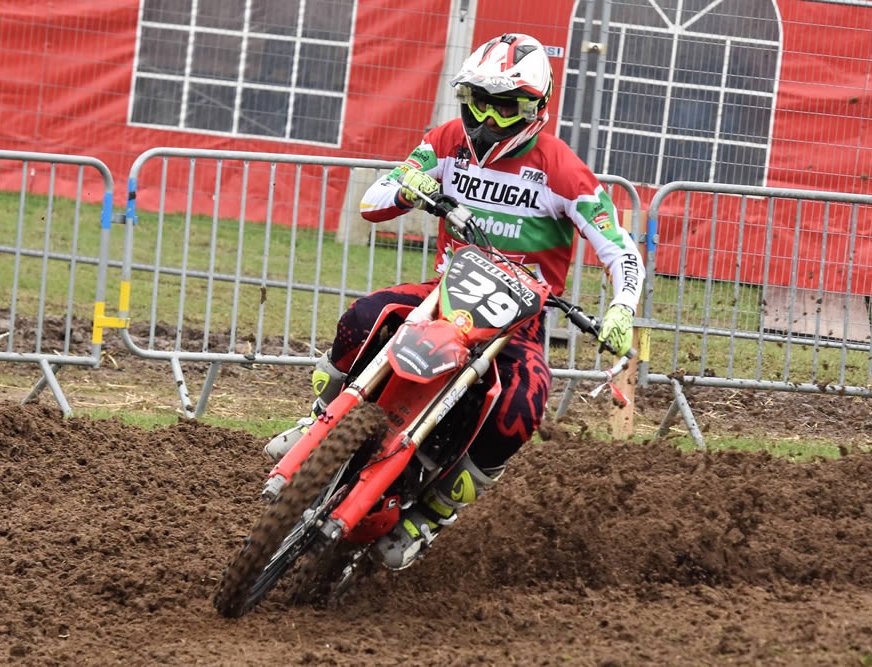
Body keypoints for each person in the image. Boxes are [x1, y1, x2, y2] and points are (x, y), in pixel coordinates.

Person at [265, 32, 645, 570]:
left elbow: (620, 249)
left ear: (535, 107)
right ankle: (318, 422)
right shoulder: (446, 140)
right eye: (478, 101)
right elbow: (374, 199)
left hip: (516, 321)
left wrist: (622, 307)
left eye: (504, 106)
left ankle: (433, 513)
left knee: (522, 405)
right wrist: (408, 188)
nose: (487, 118)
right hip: (444, 293)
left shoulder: (562, 169)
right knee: (363, 317)